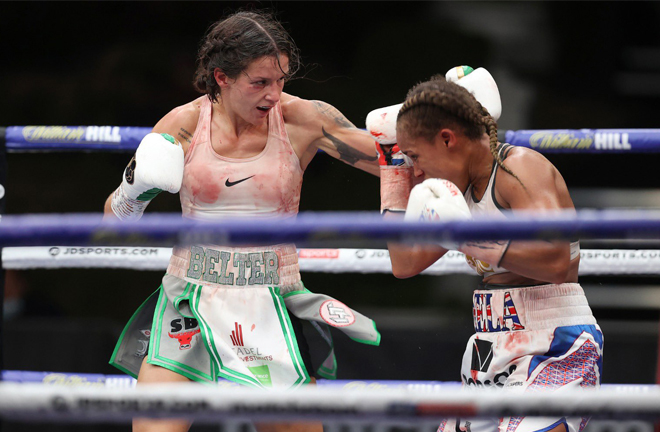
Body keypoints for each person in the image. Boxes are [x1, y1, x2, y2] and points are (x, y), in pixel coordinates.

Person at [103, 10, 382, 432]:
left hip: (270, 297)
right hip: (190, 299)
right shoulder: (183, 126)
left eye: (281, 79)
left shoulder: (302, 119)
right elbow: (114, 224)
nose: (274, 93)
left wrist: (443, 132)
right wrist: (133, 188)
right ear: (222, 77)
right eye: (260, 82)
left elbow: (394, 166)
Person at [368, 68, 603, 432]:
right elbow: (405, 262)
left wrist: (467, 238)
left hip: (552, 340)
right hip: (488, 342)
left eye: (415, 156)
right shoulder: (456, 190)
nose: (417, 171)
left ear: (447, 139)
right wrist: (391, 169)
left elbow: (557, 261)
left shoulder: (519, 168)